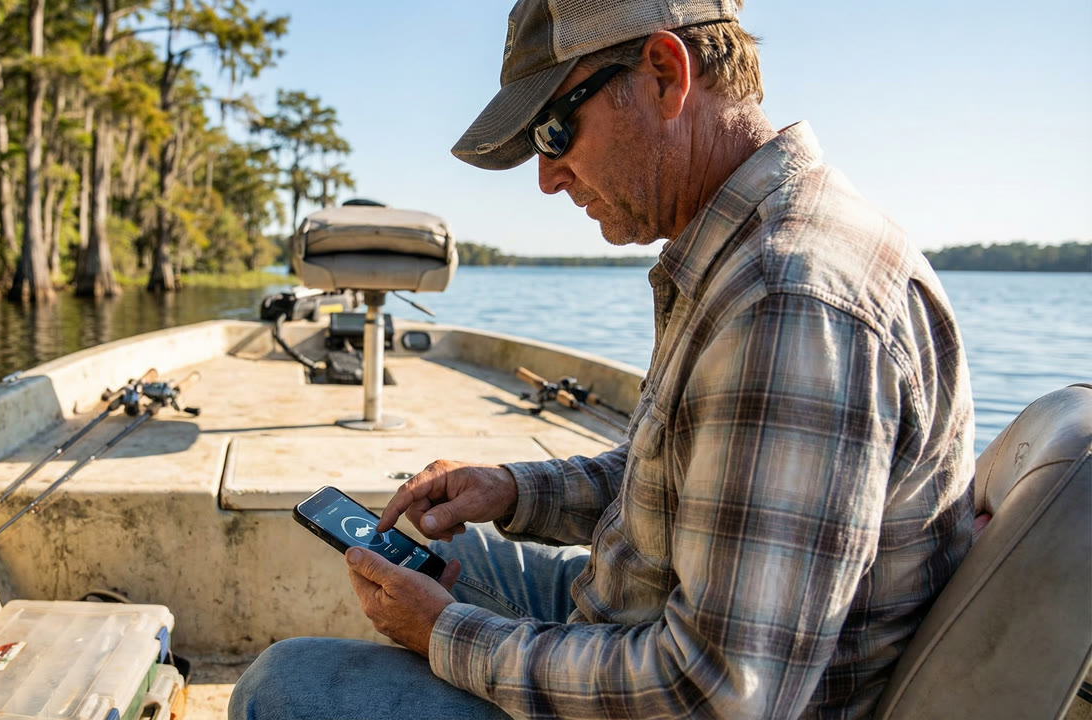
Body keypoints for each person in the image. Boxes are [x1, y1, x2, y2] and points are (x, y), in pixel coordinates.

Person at [230, 0, 976, 717]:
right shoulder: (752, 247)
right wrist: (511, 491)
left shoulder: (788, 301)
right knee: (435, 554)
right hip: (629, 618)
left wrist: (446, 636)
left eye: (554, 132)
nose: (548, 177)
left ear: (664, 73)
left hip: (672, 689)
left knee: (283, 686)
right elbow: (688, 474)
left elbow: (711, 696)